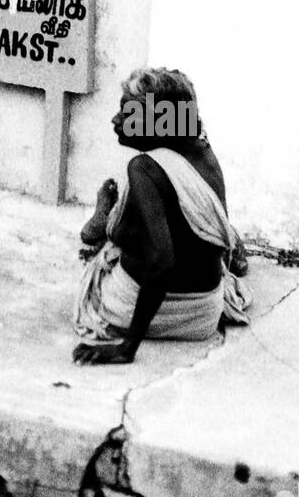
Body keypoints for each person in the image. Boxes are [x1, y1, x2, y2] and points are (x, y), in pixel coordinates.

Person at [73, 67, 252, 366]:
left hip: (134, 311)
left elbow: (162, 260)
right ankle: (111, 219)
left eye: (127, 113)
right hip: (204, 316)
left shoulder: (143, 168)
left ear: (159, 121)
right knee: (183, 224)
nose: (116, 120)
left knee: (105, 254)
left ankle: (107, 221)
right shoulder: (203, 152)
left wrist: (127, 347)